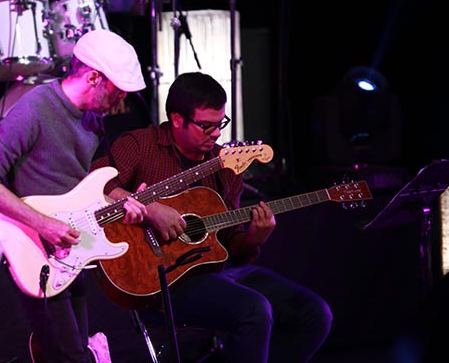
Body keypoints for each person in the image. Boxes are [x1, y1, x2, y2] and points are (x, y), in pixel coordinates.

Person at [91, 71, 333, 362]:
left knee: (315, 314)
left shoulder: (225, 165)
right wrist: (150, 208)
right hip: (162, 276)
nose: (217, 133)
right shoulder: (140, 145)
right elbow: (96, 186)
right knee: (254, 310)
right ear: (177, 119)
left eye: (221, 123)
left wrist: (254, 238)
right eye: (206, 126)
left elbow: (228, 247)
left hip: (218, 270)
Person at [0, 29, 149, 362]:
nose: (121, 100)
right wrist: (44, 224)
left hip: (72, 249)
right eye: (117, 90)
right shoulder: (34, 109)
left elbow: (90, 184)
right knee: (69, 355)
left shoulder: (93, 120)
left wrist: (123, 201)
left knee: (75, 351)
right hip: (35, 249)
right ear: (93, 78)